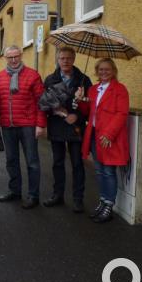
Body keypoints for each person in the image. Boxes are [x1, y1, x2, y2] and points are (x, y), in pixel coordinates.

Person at [0, 45, 47, 209]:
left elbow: (41, 102)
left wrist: (40, 124)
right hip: (7, 125)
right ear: (5, 58)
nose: (14, 60)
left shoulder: (33, 75)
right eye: (10, 57)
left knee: (32, 162)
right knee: (11, 160)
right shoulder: (0, 76)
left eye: (16, 56)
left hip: (28, 125)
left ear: (21, 56)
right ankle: (15, 191)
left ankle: (33, 195)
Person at [77, 58, 130, 223]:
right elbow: (88, 111)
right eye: (101, 69)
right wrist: (80, 99)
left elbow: (121, 113)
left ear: (113, 71)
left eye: (107, 69)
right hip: (94, 134)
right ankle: (103, 200)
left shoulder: (120, 89)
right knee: (99, 171)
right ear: (97, 71)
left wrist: (109, 134)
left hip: (108, 137)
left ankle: (109, 204)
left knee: (108, 171)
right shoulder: (93, 89)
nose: (104, 72)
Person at [40, 47, 92, 213]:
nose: (65, 61)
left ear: (74, 59)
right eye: (62, 58)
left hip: (76, 128)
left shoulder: (84, 80)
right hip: (57, 126)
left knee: (77, 163)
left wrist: (77, 115)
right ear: (58, 59)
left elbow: (90, 106)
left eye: (69, 58)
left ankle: (78, 199)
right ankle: (58, 195)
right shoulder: (50, 79)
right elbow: (44, 104)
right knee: (57, 163)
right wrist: (61, 113)